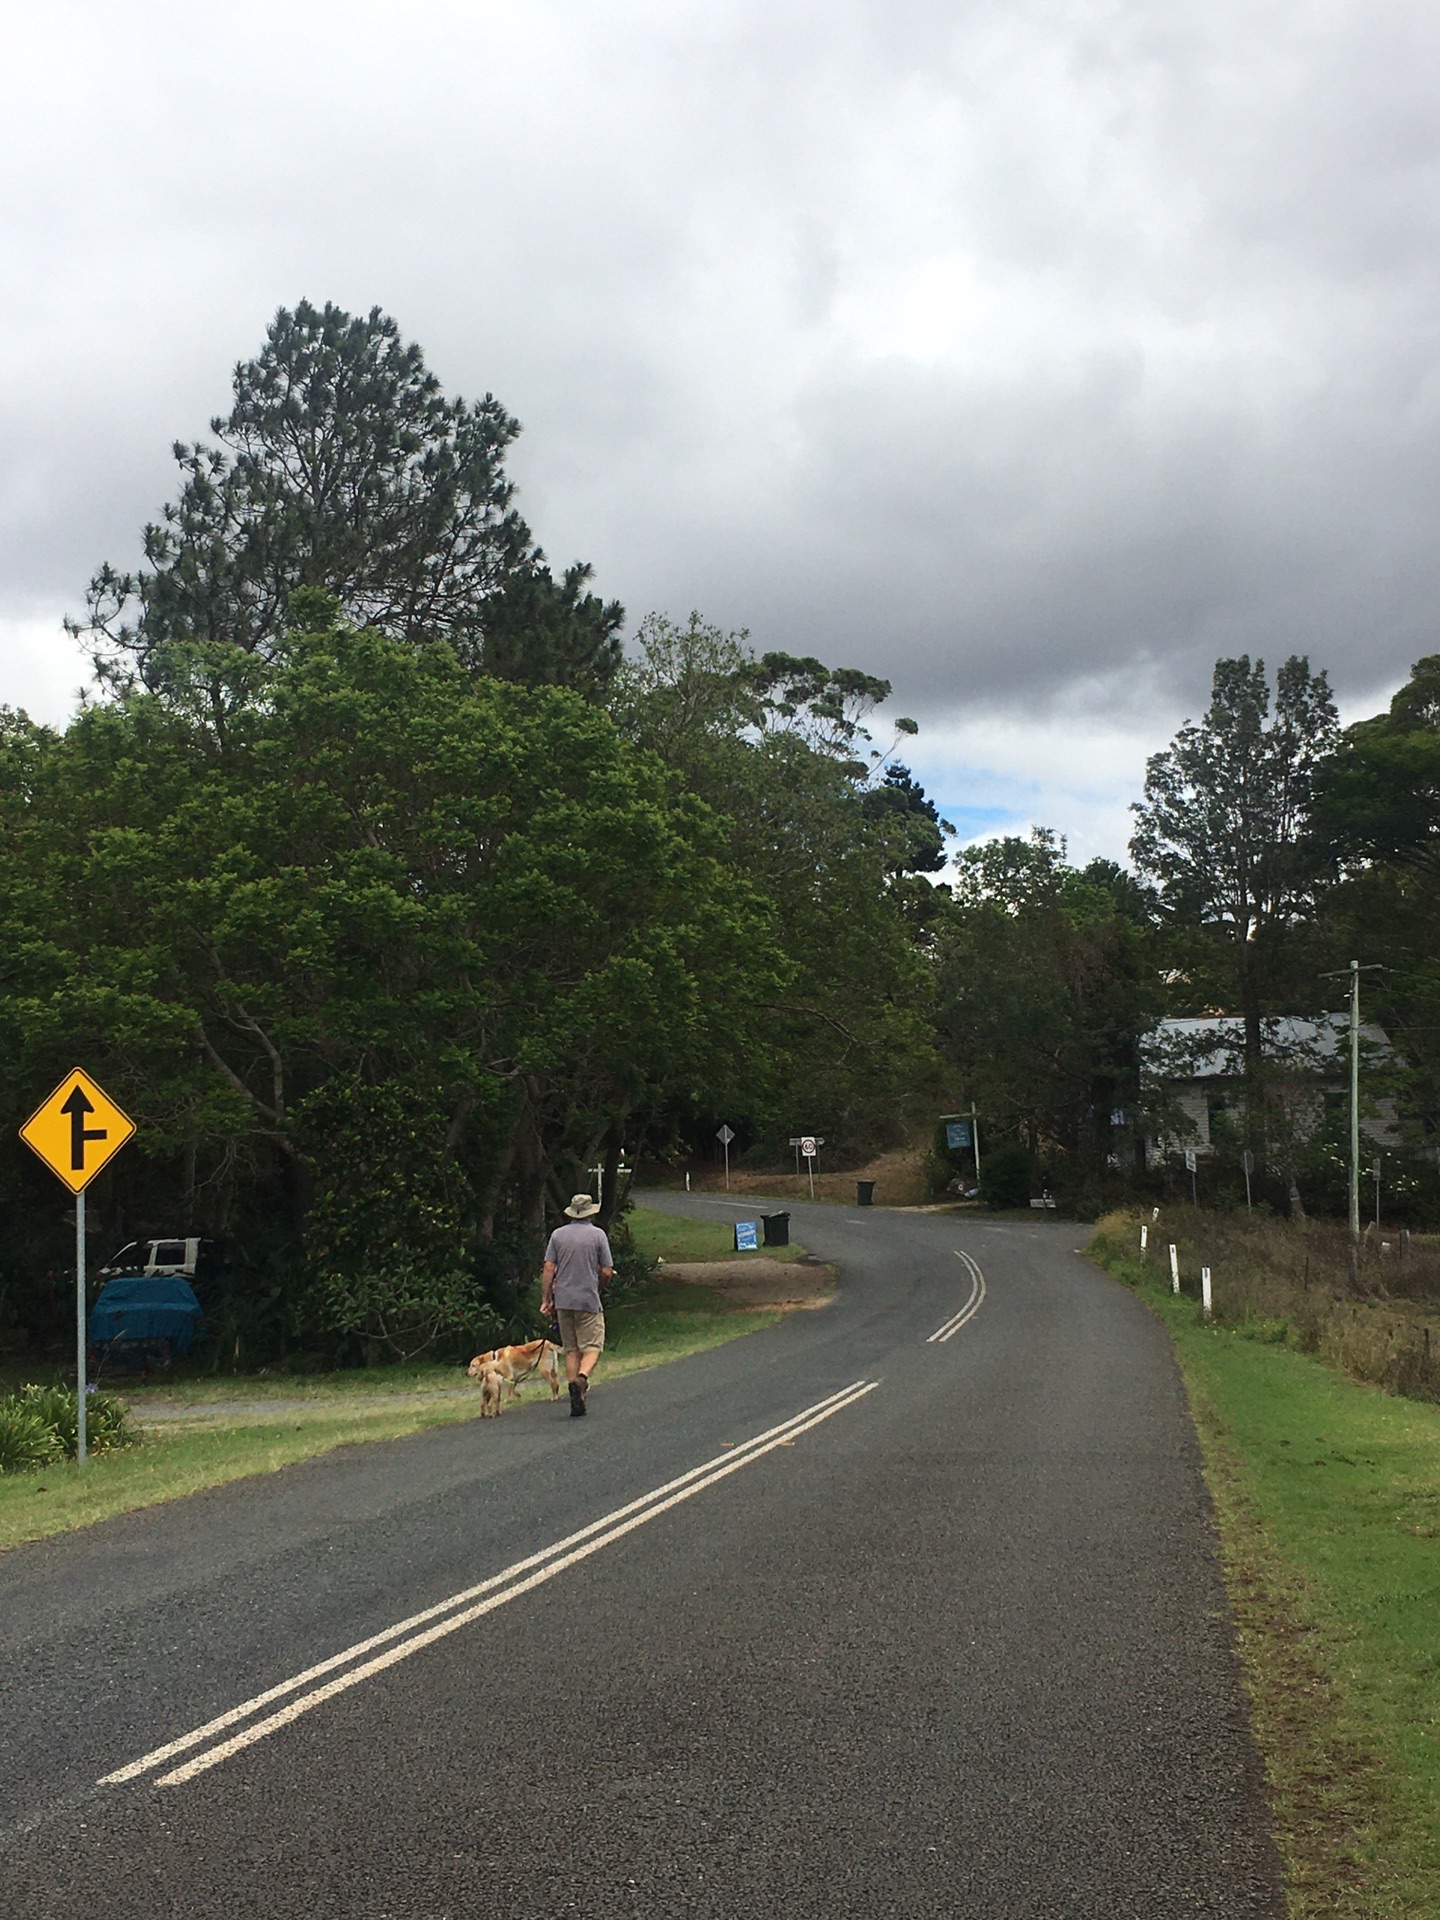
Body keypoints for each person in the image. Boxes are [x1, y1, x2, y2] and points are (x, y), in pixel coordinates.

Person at [540, 1194, 614, 1417]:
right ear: (590, 1212)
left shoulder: (557, 1235)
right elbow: (607, 1271)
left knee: (571, 1348)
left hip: (563, 1300)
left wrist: (546, 1299)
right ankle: (581, 1380)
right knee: (593, 1345)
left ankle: (574, 1391)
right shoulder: (597, 1235)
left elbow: (549, 1268)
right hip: (588, 1299)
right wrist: (600, 1286)